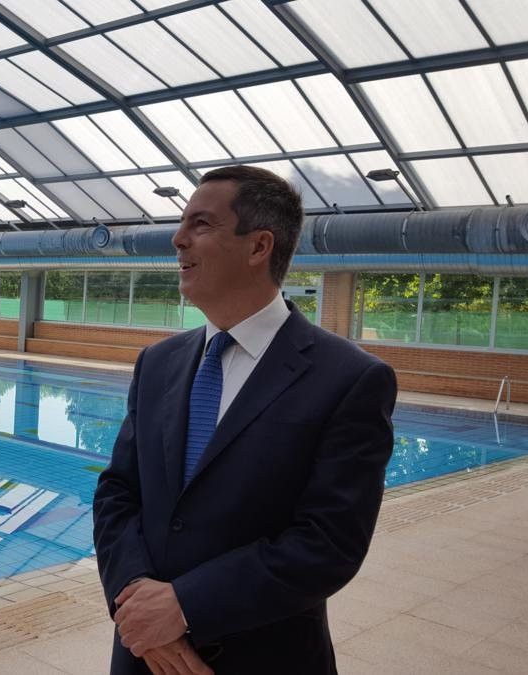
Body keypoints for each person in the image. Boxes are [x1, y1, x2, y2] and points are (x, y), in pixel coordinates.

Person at [93, 165, 396, 675]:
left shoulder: (349, 379)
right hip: (142, 654)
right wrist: (139, 609)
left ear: (259, 247)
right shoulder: (158, 364)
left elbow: (328, 541)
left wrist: (186, 604)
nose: (177, 239)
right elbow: (118, 493)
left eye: (201, 225)